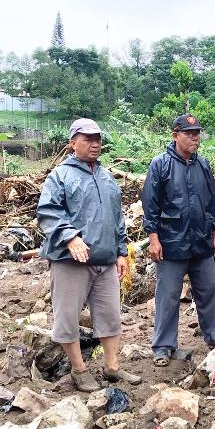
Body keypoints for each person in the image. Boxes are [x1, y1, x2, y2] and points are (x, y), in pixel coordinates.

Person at [37, 118, 141, 392]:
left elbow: (116, 218)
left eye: (97, 139)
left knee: (110, 316)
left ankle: (112, 367)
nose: (95, 143)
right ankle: (79, 369)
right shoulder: (60, 176)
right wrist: (70, 237)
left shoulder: (106, 177)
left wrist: (121, 252)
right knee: (68, 315)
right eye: (87, 139)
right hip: (70, 261)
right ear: (73, 143)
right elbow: (48, 211)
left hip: (105, 260)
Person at [141, 114, 215, 367]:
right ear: (175, 135)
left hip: (200, 243)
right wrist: (153, 238)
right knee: (167, 296)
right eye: (189, 133)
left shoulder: (203, 165)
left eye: (197, 133)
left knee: (209, 290)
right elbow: (150, 205)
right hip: (171, 243)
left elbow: (212, 202)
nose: (195, 138)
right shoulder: (161, 165)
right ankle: (163, 346)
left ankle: (212, 339)